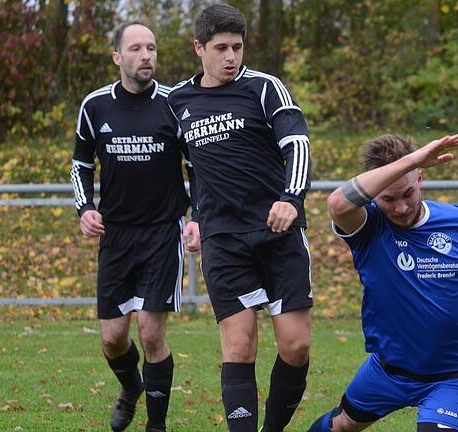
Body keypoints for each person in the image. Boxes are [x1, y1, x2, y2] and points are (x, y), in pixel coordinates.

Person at [166, 4, 312, 432]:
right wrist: (189, 217)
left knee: (296, 345)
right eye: (221, 48)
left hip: (277, 231)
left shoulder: (265, 88)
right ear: (199, 48)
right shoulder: (178, 102)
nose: (231, 57)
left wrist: (291, 198)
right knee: (239, 345)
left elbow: (297, 144)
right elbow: (184, 168)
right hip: (222, 238)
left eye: (237, 47)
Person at [308, 134, 458, 432]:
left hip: (455, 375)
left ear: (420, 178)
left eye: (407, 194)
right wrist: (412, 159)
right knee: (341, 425)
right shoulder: (367, 225)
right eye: (388, 198)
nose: (401, 208)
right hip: (389, 370)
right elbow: (338, 203)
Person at [70, 22, 199, 432]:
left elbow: (197, 168)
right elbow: (80, 165)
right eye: (137, 49)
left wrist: (197, 216)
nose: (147, 56)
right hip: (116, 235)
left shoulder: (174, 104)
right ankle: (130, 389)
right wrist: (84, 208)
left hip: (162, 233)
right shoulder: (95, 106)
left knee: (151, 334)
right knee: (112, 338)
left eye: (152, 48)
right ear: (117, 57)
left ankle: (155, 427)